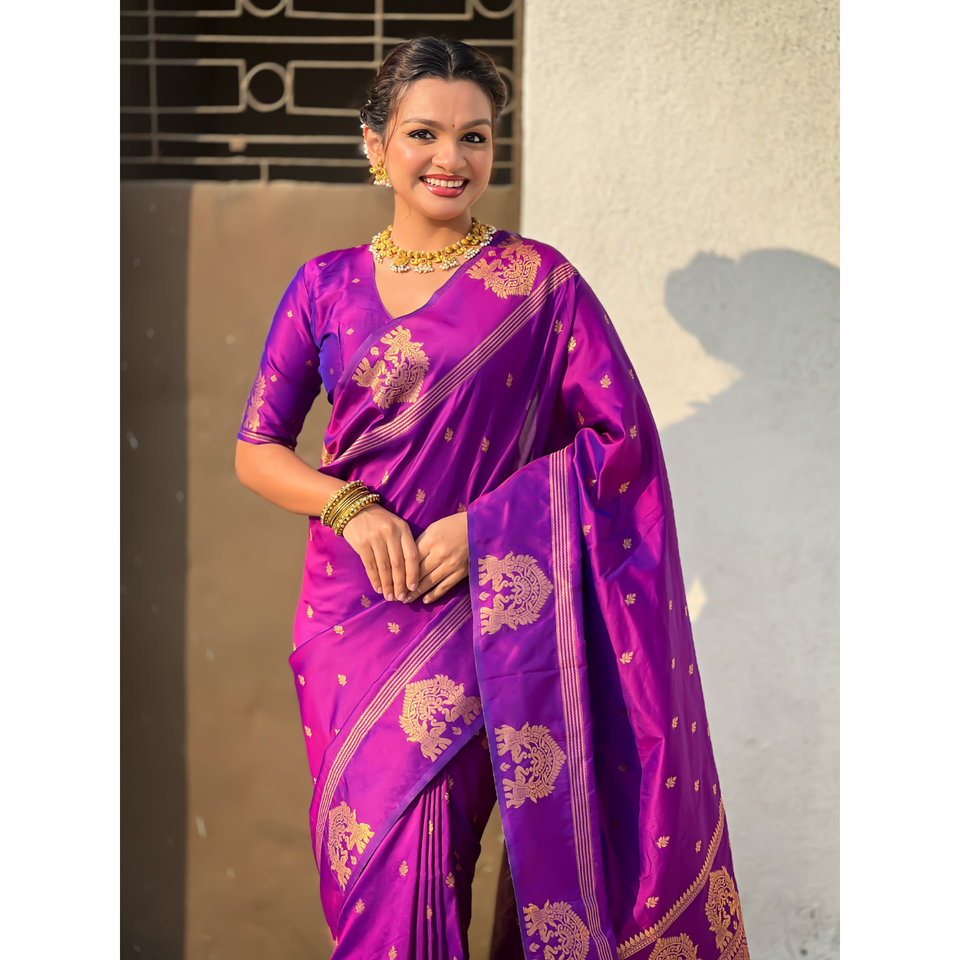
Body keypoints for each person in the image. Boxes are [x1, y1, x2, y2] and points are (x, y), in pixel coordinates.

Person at [235, 36, 749, 960]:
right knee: (365, 881)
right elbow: (257, 450)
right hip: (349, 617)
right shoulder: (325, 286)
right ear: (375, 144)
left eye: (474, 136)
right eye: (423, 133)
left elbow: (620, 445)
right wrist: (350, 507)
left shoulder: (540, 285)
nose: (451, 157)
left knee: (425, 863)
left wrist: (482, 527)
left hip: (476, 615)